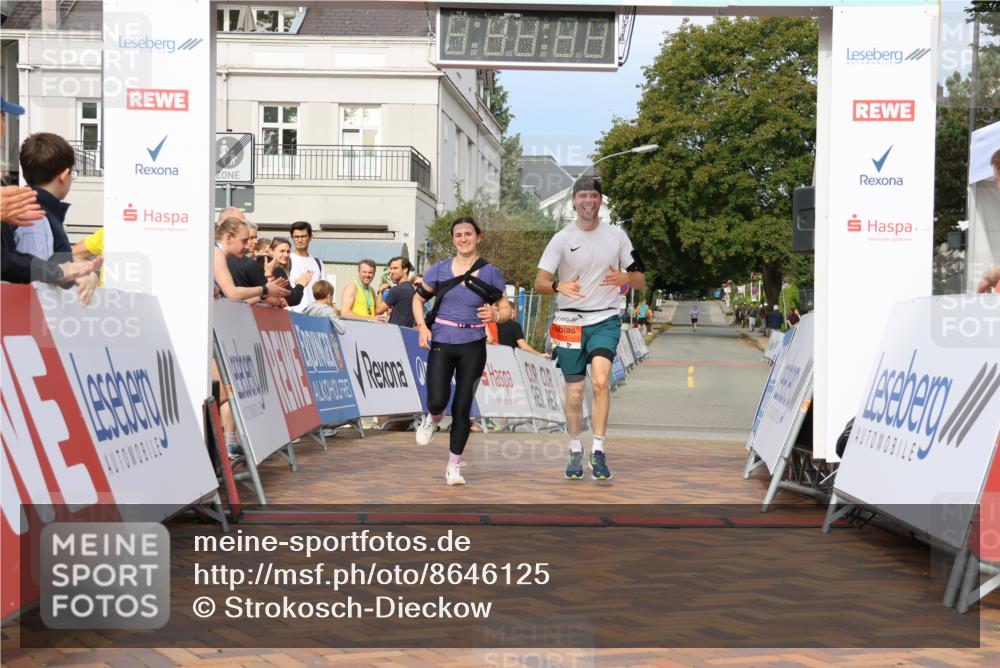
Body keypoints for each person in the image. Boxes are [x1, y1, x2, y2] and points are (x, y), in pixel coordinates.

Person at [534, 176, 645, 481]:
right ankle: (574, 448)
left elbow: (639, 278)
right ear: (574, 202)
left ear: (599, 200)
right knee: (574, 392)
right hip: (569, 321)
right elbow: (540, 282)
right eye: (582, 196)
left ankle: (597, 449)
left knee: (599, 382)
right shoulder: (561, 238)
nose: (588, 201)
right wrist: (558, 285)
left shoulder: (617, 236)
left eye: (593, 196)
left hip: (605, 319)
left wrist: (626, 278)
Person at [413, 216, 510, 486]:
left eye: (469, 233)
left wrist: (494, 314)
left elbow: (506, 310)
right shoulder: (439, 269)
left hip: (474, 344)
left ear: (479, 237)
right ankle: (432, 418)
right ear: (453, 239)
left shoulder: (490, 272)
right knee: (437, 400)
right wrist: (422, 327)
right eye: (458, 235)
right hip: (443, 340)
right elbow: (418, 299)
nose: (463, 238)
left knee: (463, 406)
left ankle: (454, 465)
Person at [287, 221, 327, 312]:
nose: (300, 240)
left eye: (303, 236)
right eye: (296, 237)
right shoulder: (287, 260)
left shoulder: (318, 263)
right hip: (294, 314)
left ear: (311, 237)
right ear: (292, 238)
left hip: (314, 315)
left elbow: (324, 292)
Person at [264, 237, 312, 308]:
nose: (286, 255)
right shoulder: (278, 270)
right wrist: (300, 285)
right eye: (282, 251)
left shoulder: (259, 265)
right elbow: (292, 299)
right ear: (271, 251)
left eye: (288, 251)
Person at [376, 255, 417, 327]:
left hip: (395, 332)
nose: (391, 271)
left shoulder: (397, 289)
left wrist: (380, 291)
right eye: (391, 268)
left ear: (405, 270)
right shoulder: (412, 289)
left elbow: (379, 310)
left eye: (395, 268)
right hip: (407, 331)